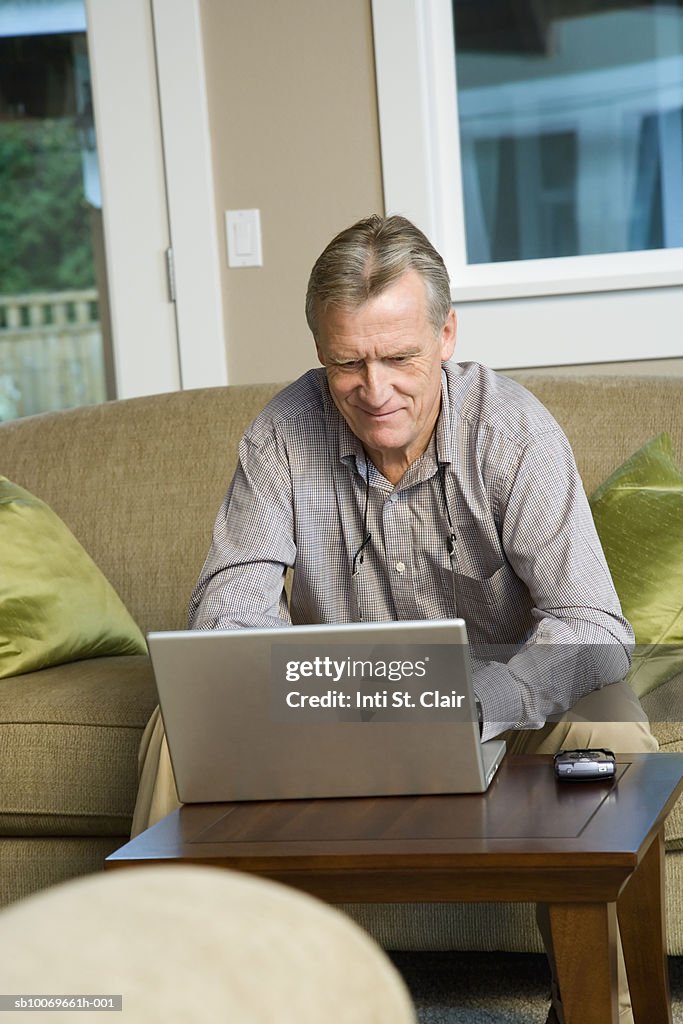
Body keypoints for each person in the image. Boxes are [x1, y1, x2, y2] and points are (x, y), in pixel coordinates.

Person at [133, 214, 656, 1024]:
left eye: (398, 358)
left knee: (616, 736)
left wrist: (482, 701)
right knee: (179, 725)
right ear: (320, 352)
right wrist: (280, 688)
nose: (375, 392)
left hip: (506, 700)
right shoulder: (280, 435)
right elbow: (229, 612)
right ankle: (179, 1000)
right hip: (342, 699)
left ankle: (600, 1010)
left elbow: (590, 623)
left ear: (445, 334)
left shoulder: (510, 430)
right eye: (347, 363)